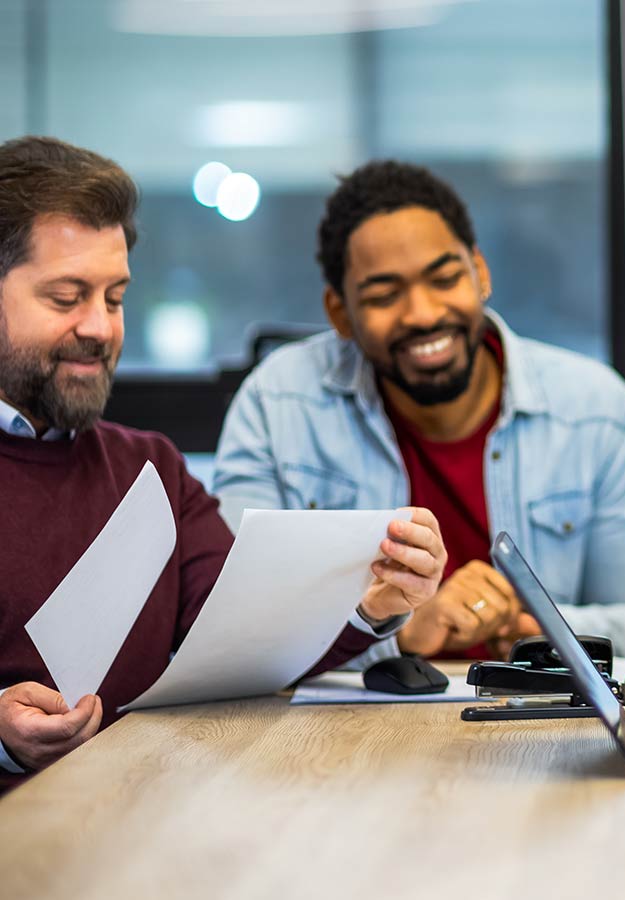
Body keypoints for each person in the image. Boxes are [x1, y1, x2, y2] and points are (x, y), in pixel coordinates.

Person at [0, 137, 447, 791]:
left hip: (136, 831)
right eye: (67, 298)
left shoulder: (149, 468)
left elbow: (248, 642)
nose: (99, 327)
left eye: (115, 298)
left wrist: (373, 606)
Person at [214, 160, 625, 660]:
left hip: (532, 724)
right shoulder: (276, 403)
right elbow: (231, 625)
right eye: (384, 295)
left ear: (479, 272)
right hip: (351, 727)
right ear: (338, 313)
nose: (424, 313)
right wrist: (398, 632)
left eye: (444, 278)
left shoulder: (596, 410)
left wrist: (532, 627)